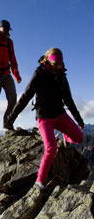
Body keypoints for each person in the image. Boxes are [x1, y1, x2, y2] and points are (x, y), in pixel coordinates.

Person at [7, 47, 84, 190]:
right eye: (55, 61)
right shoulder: (39, 73)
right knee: (51, 147)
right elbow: (26, 96)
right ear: (47, 60)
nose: (58, 65)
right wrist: (12, 117)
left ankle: (65, 138)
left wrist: (78, 119)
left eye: (60, 62)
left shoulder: (61, 75)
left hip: (60, 115)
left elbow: (68, 99)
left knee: (79, 137)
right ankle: (40, 180)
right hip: (44, 118)